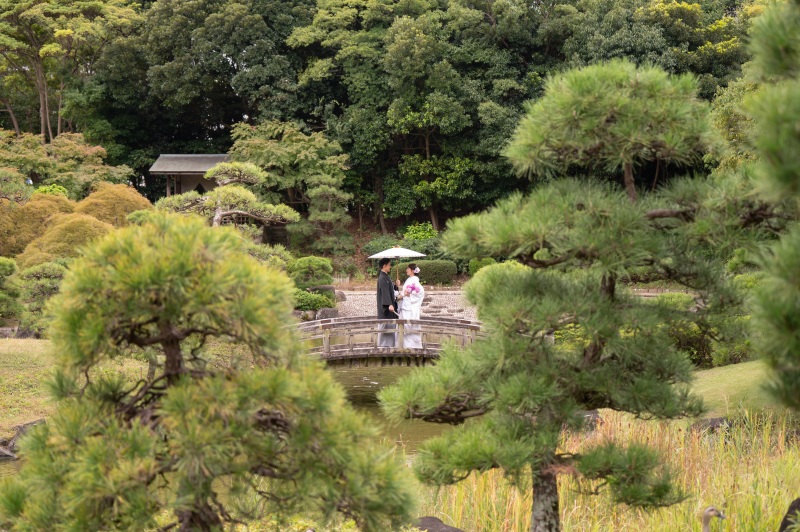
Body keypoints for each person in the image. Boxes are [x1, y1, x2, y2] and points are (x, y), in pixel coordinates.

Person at [398, 264, 425, 348]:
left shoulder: (414, 280)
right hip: (405, 306)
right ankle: (404, 346)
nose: (406, 270)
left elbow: (421, 292)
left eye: (408, 268)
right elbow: (404, 292)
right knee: (404, 327)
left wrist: (410, 295)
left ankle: (413, 347)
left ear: (412, 271)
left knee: (409, 327)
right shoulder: (409, 279)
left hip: (410, 307)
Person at [376, 258, 397, 347]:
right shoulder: (382, 278)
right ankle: (383, 347)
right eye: (389, 265)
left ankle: (390, 346)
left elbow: (390, 290)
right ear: (384, 266)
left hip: (389, 306)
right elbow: (385, 292)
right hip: (386, 308)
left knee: (390, 329)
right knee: (385, 328)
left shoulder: (386, 277)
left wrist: (395, 286)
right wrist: (389, 304)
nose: (390, 266)